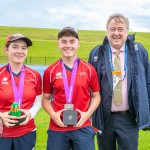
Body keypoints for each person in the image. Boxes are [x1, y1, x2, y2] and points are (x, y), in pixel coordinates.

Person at [88, 13, 150, 150]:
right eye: (112, 29)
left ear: (127, 31)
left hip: (128, 118)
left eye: (120, 29)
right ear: (107, 31)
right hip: (104, 118)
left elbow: (148, 82)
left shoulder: (139, 51)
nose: (116, 33)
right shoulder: (96, 53)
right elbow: (90, 88)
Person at [42, 26, 100, 150]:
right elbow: (45, 99)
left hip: (82, 126)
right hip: (57, 128)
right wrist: (53, 114)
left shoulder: (89, 69)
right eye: (64, 41)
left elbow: (96, 96)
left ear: (78, 44)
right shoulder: (50, 71)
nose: (68, 45)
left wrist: (87, 114)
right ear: (58, 44)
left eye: (72, 41)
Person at [0, 33, 42, 150]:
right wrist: (1, 116)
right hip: (2, 132)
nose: (20, 51)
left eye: (24, 48)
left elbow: (38, 101)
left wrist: (31, 113)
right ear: (6, 49)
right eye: (15, 47)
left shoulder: (35, 75)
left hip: (27, 132)